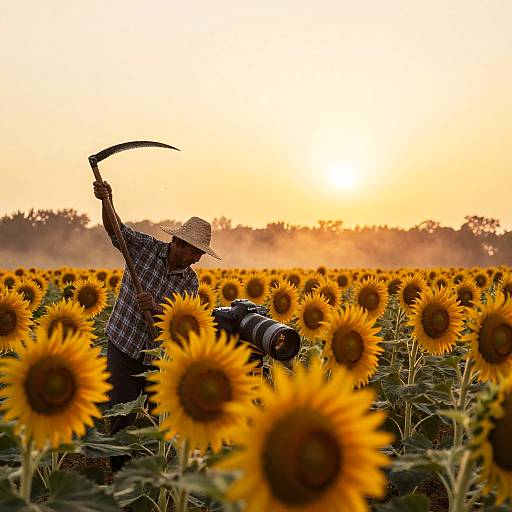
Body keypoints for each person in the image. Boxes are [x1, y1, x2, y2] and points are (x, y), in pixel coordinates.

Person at [93, 180, 221, 471]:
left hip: (155, 357)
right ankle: (121, 475)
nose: (199, 258)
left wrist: (157, 308)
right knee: (122, 414)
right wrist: (106, 201)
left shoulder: (190, 280)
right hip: (123, 345)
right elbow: (116, 231)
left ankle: (153, 474)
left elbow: (182, 323)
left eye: (201, 253)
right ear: (178, 244)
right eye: (195, 251)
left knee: (158, 418)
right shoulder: (144, 249)